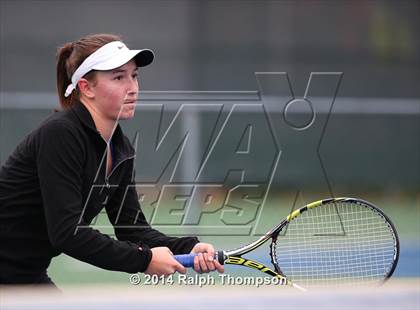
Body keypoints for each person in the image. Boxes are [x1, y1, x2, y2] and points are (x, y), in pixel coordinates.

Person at [0, 33, 223, 287]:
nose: (133, 87)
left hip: (22, 273)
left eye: (134, 75)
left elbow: (132, 229)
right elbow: (68, 233)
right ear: (86, 87)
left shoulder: (120, 148)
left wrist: (189, 247)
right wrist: (144, 260)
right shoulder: (60, 134)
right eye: (118, 77)